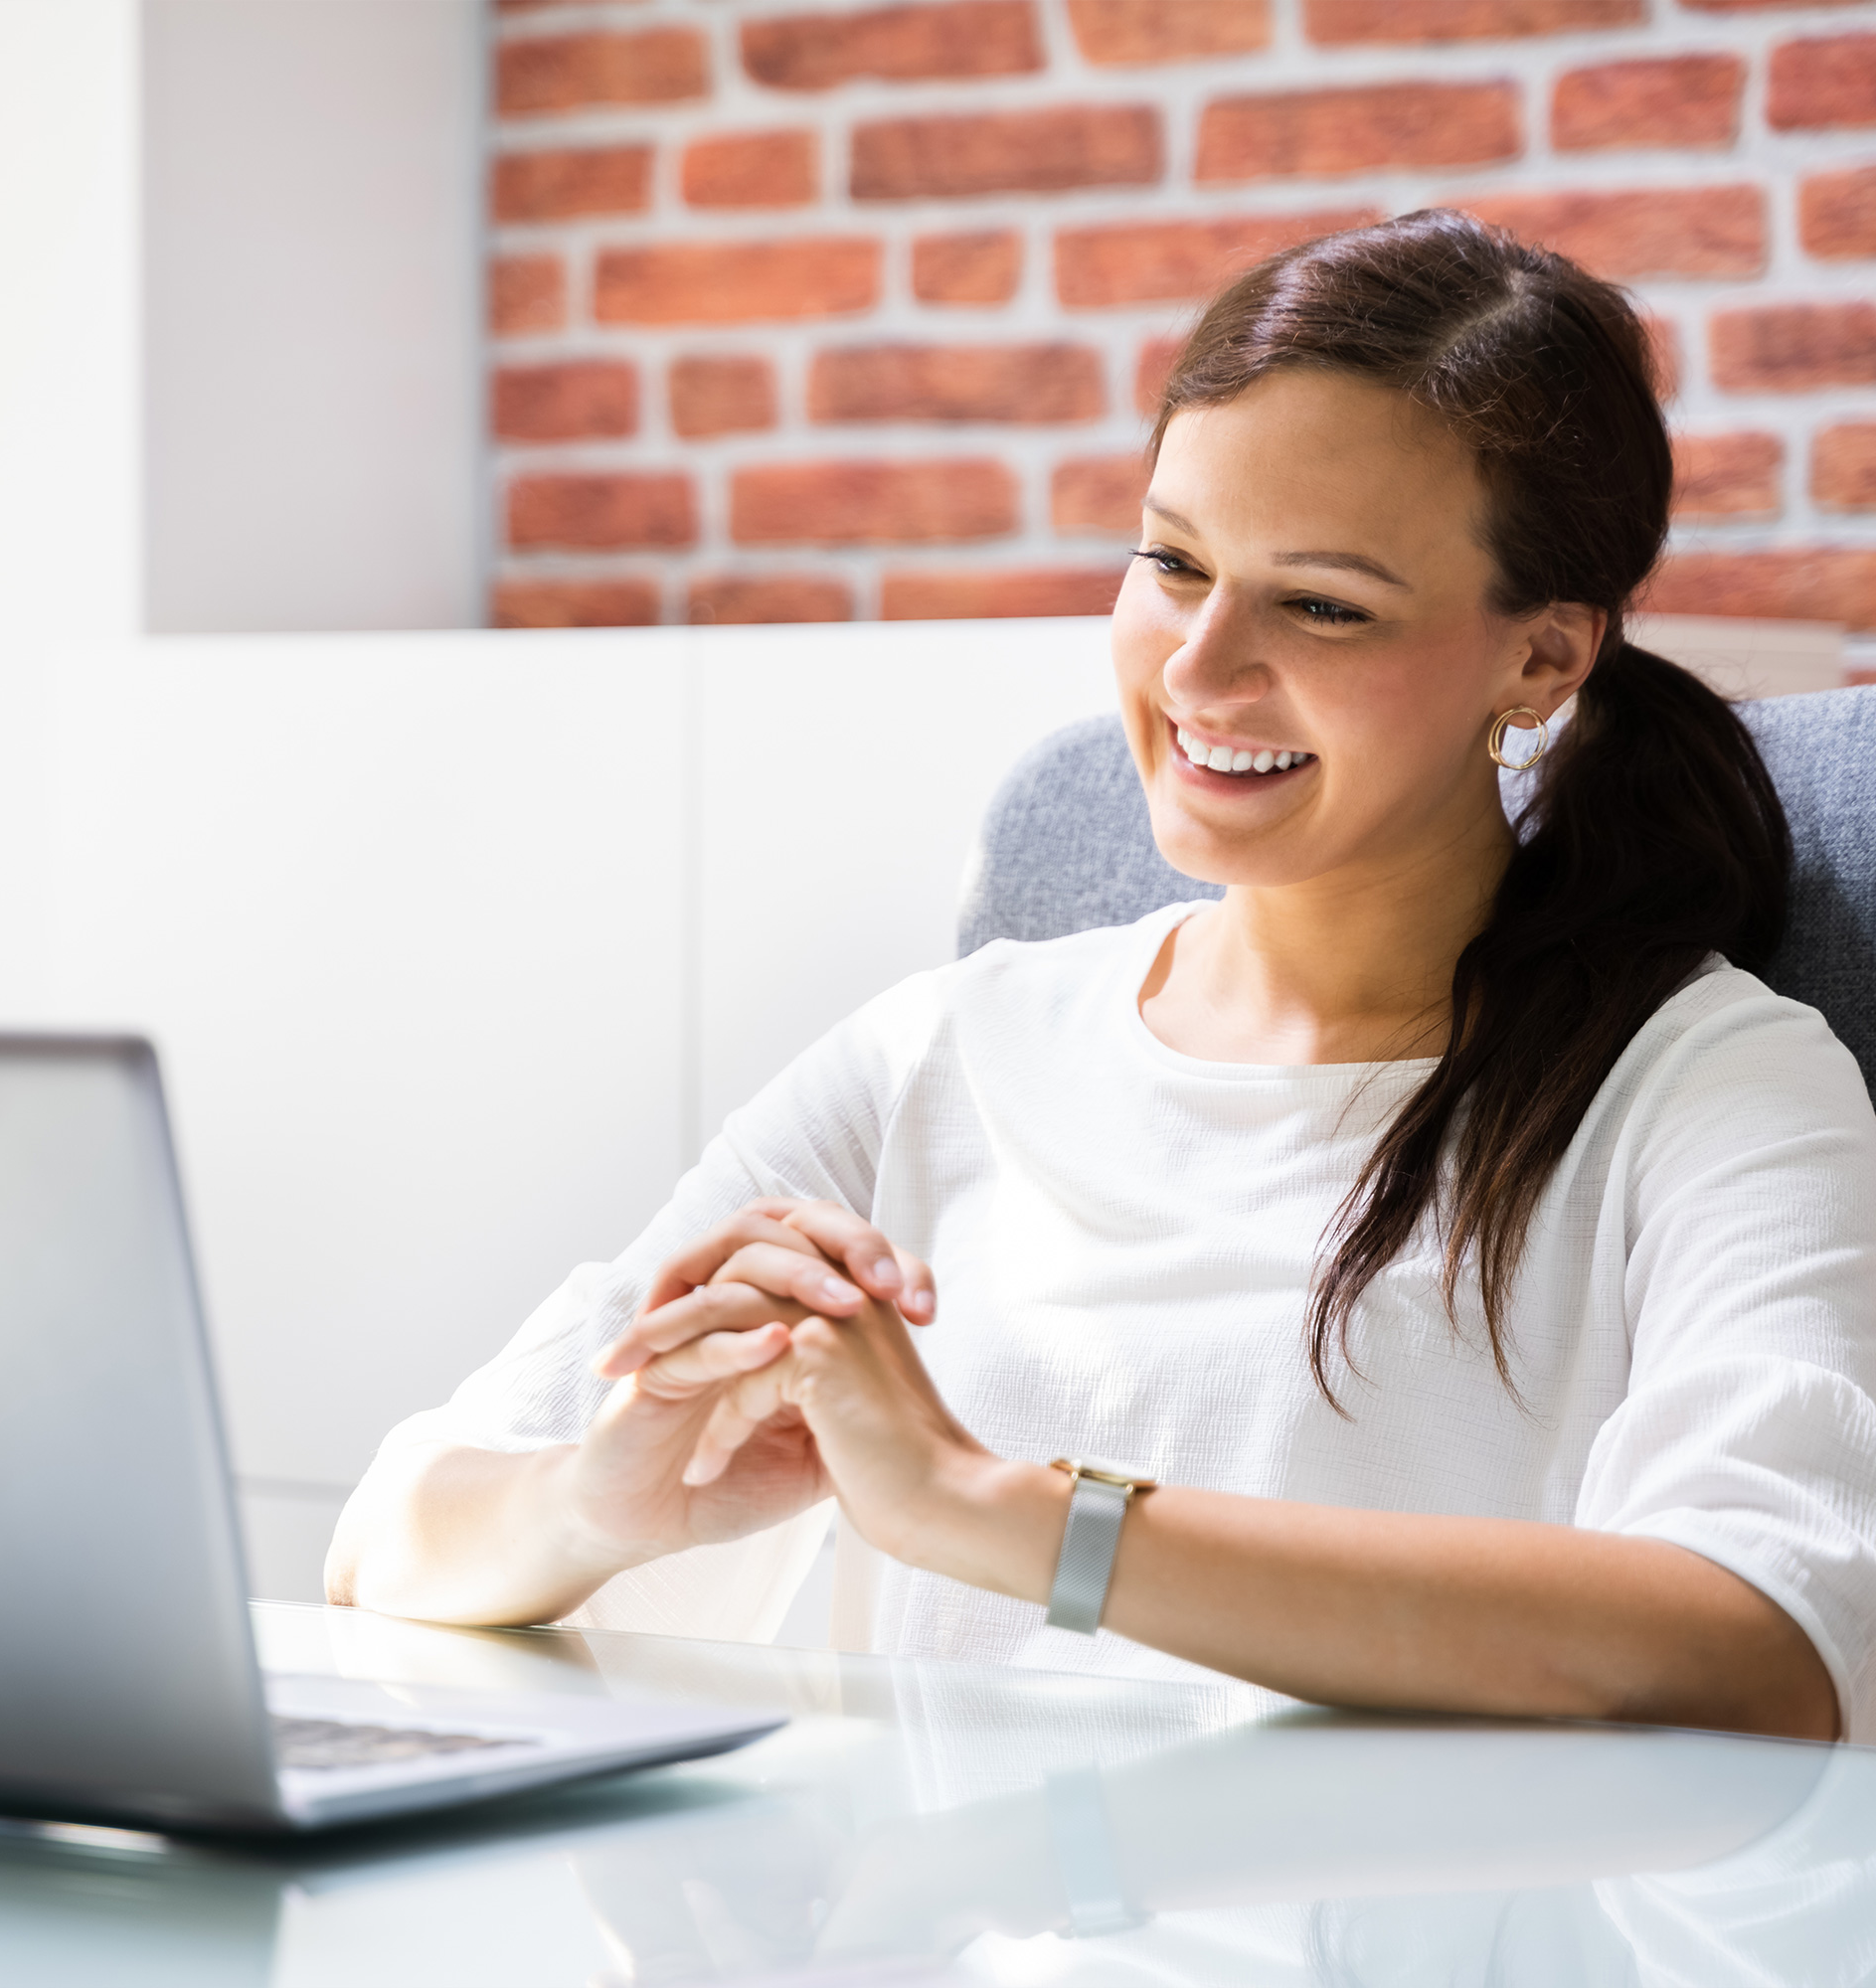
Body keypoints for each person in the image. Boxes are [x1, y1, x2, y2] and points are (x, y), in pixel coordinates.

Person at [328, 210, 1876, 1742]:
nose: (1199, 671)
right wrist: (601, 1496)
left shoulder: (1711, 1088)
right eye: (1172, 562)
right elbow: (393, 1548)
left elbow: (1769, 1644)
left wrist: (999, 1515)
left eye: (1323, 604)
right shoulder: (949, 1052)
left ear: (1542, 658)